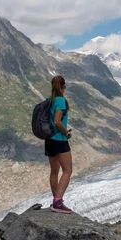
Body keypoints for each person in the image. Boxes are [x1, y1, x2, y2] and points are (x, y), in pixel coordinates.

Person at [45, 75, 73, 213]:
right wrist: (66, 133)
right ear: (64, 86)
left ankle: (55, 200)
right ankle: (58, 202)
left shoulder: (50, 100)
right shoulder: (61, 100)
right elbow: (57, 121)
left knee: (54, 172)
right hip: (59, 140)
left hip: (49, 140)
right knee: (67, 171)